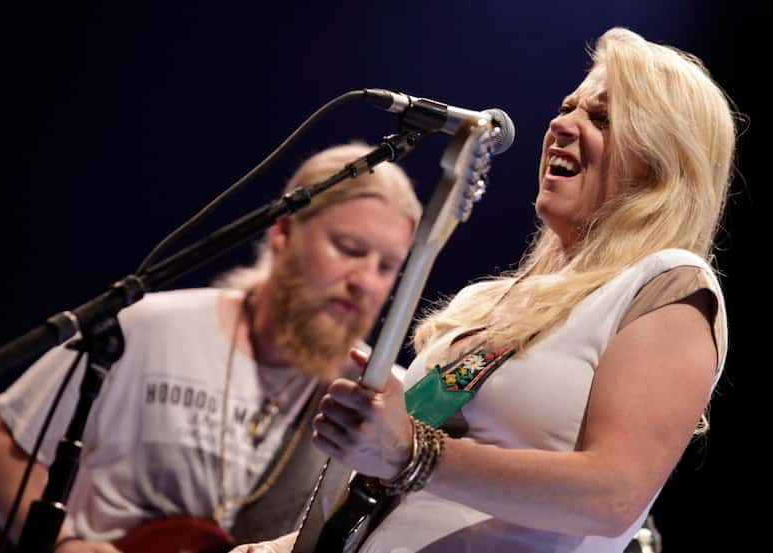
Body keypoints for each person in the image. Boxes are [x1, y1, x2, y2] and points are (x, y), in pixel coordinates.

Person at [235, 27, 738, 553]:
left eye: (602, 117)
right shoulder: (487, 307)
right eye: (568, 107)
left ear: (662, 160)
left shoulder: (667, 283)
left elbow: (612, 499)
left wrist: (411, 450)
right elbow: (399, 496)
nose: (561, 124)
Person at [0, 142, 422, 552]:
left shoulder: (382, 403)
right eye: (348, 248)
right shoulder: (149, 327)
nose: (365, 281)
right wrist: (66, 546)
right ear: (283, 232)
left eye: (387, 267)